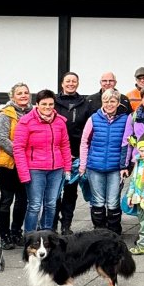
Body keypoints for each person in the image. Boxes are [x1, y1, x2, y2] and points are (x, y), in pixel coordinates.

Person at [13, 90, 72, 236]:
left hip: (56, 169)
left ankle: (46, 235)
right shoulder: (26, 121)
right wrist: (24, 174)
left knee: (51, 204)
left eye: (51, 104)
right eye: (44, 104)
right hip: (35, 169)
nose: (48, 107)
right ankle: (30, 236)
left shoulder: (60, 122)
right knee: (34, 205)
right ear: (37, 104)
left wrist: (67, 168)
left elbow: (65, 145)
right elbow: (18, 148)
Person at [79, 88, 129, 235]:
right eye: (106, 101)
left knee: (113, 201)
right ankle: (99, 232)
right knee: (98, 201)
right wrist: (83, 165)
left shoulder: (126, 119)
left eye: (112, 101)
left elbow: (127, 144)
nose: (109, 104)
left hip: (115, 168)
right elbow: (84, 142)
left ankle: (114, 232)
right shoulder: (93, 119)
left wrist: (125, 166)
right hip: (95, 167)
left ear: (118, 102)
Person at [54, 72, 92, 234]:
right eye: (67, 81)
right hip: (56, 155)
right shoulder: (53, 103)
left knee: (70, 192)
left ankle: (66, 225)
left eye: (74, 81)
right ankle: (52, 224)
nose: (71, 84)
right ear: (62, 83)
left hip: (76, 155)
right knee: (54, 193)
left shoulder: (85, 104)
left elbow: (89, 130)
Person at [0, 83, 32, 248]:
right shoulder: (5, 114)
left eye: (26, 93)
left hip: (27, 163)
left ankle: (17, 232)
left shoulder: (34, 112)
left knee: (23, 199)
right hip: (9, 164)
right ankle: (4, 235)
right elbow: (1, 138)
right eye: (19, 93)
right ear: (12, 96)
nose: (23, 96)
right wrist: (19, 153)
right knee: (6, 199)